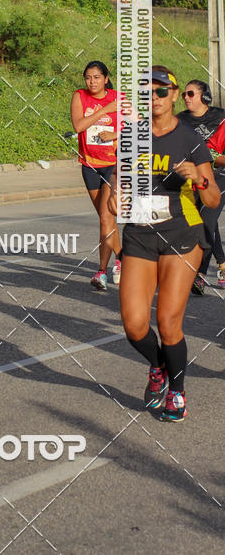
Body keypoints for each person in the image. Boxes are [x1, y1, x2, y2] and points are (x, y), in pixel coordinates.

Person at [112, 66, 219, 422]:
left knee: (169, 323)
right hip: (140, 235)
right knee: (134, 325)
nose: (154, 98)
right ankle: (158, 367)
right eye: (148, 92)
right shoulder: (131, 136)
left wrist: (199, 180)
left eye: (162, 91)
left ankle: (177, 389)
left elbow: (215, 199)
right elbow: (117, 184)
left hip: (181, 236)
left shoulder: (189, 138)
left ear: (174, 96)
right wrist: (115, 198)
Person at [70, 60, 122, 290]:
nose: (92, 82)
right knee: (107, 221)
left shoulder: (119, 98)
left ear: (106, 78)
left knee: (104, 218)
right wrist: (103, 111)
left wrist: (116, 134)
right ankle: (122, 258)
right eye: (88, 77)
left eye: (97, 77)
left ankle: (101, 271)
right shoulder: (79, 96)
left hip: (113, 165)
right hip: (89, 165)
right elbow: (79, 126)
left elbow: (139, 127)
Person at [178, 80, 225, 293]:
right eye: (184, 95)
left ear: (204, 96)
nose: (186, 98)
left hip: (219, 177)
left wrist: (213, 158)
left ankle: (200, 274)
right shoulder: (180, 120)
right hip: (192, 180)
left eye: (190, 94)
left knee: (206, 220)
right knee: (203, 222)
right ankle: (222, 264)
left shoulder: (220, 117)